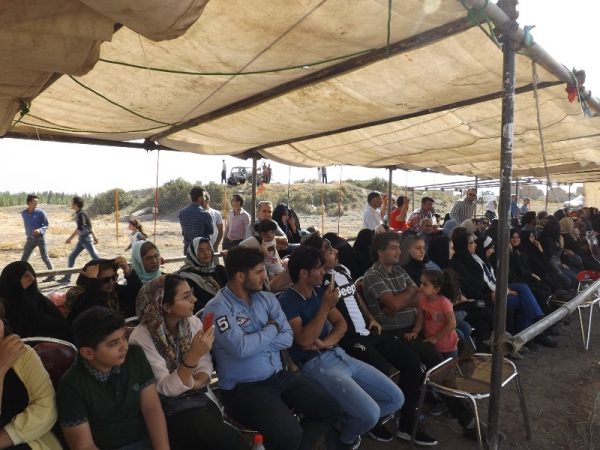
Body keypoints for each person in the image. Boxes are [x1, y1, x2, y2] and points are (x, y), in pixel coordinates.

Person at [302, 235, 437, 446]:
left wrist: (370, 317)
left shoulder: (342, 271)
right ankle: (371, 420)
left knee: (411, 362)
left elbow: (356, 297)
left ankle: (407, 424)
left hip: (369, 331)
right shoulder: (320, 283)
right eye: (329, 250)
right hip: (348, 338)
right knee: (381, 367)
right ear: (317, 258)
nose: (336, 251)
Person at [203, 247, 340, 450]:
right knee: (289, 434)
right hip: (244, 388)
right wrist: (272, 328)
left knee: (331, 410)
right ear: (240, 276)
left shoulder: (266, 299)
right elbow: (241, 349)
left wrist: (254, 342)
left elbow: (287, 338)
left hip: (278, 376)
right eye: (259, 272)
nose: (264, 276)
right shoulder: (218, 308)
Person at [279, 246, 404, 449]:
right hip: (315, 365)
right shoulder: (287, 301)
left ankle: (341, 425)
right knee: (370, 414)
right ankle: (344, 441)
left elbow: (341, 324)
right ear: (303, 273)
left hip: (337, 354)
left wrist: (325, 342)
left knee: (395, 399)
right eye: (319, 268)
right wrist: (325, 307)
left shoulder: (320, 293)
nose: (324, 272)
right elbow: (303, 340)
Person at [130, 275, 248, 450]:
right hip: (165, 409)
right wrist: (193, 354)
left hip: (196, 398)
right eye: (186, 297)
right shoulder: (141, 339)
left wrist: (196, 382)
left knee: (220, 433)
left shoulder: (191, 322)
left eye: (191, 293)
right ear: (166, 307)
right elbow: (166, 389)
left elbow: (204, 365)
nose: (194, 299)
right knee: (223, 438)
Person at [57, 307, 170, 450]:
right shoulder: (71, 386)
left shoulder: (135, 355)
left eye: (124, 337)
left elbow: (151, 408)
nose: (124, 347)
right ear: (88, 353)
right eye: (114, 343)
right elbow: (84, 446)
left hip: (144, 441)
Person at [0, 318, 62, 450]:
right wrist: (2, 368)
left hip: (30, 442)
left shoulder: (22, 354)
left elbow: (47, 405)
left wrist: (8, 437)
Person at [0, 261, 71, 340]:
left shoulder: (40, 300)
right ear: (14, 281)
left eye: (32, 274)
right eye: (26, 276)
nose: (33, 278)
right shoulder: (5, 310)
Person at [65, 257, 142, 322]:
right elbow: (93, 310)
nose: (111, 282)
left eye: (114, 277)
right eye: (106, 280)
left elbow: (138, 292)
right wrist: (92, 281)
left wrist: (127, 270)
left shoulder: (113, 290)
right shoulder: (78, 295)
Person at [405, 270, 459, 359]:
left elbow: (452, 324)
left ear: (436, 289)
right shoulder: (422, 301)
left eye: (425, 284)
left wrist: (436, 337)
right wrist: (415, 331)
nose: (420, 286)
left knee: (449, 367)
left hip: (447, 345)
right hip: (432, 343)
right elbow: (420, 319)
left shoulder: (444, 302)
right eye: (421, 283)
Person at [177, 237, 228, 312]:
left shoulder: (219, 270)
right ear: (193, 253)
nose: (206, 253)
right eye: (201, 250)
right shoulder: (186, 276)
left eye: (208, 249)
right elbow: (192, 303)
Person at [240, 220, 291, 292]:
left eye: (274, 232)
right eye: (272, 232)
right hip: (270, 269)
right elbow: (266, 254)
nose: (274, 235)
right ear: (263, 234)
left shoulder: (273, 240)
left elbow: (275, 252)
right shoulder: (262, 243)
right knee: (273, 286)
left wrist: (280, 260)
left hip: (277, 265)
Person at [61, 196, 100, 284]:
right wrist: (94, 237)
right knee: (71, 257)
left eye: (72, 202)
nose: (71, 204)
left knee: (96, 259)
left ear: (75, 204)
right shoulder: (81, 213)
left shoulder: (80, 214)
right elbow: (89, 227)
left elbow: (79, 229)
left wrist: (70, 238)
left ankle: (106, 271)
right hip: (82, 240)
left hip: (85, 240)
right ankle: (67, 278)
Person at [20, 194, 54, 279]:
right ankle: (19, 275)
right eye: (35, 202)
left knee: (45, 257)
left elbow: (46, 224)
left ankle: (52, 275)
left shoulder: (41, 213)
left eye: (37, 202)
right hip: (30, 240)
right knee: (24, 258)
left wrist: (40, 230)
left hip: (40, 239)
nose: (36, 203)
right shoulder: (24, 213)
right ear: (29, 202)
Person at [178, 186, 214, 255]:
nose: (205, 198)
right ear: (200, 198)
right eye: (204, 196)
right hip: (201, 250)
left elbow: (184, 231)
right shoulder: (204, 214)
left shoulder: (182, 212)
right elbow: (211, 231)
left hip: (187, 248)